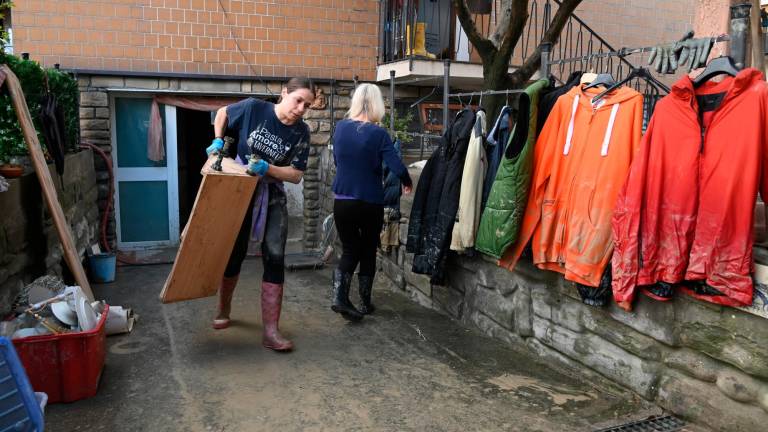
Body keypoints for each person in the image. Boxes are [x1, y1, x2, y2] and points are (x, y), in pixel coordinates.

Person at [207, 78, 315, 352]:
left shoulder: (302, 132)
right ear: (283, 94)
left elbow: (296, 174)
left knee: (276, 256)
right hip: (240, 188)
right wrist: (218, 140)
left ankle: (270, 331)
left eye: (307, 105)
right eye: (298, 100)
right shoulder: (255, 108)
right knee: (235, 252)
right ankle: (224, 307)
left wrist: (268, 168)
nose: (301, 108)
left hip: (272, 194)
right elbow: (222, 113)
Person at [330, 83, 413, 321]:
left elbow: (338, 160)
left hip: (343, 200)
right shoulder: (378, 134)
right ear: (377, 104)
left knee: (349, 249)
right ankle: (364, 303)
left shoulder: (341, 128)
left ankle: (339, 297)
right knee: (367, 250)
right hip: (370, 202)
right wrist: (407, 182)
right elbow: (396, 166)